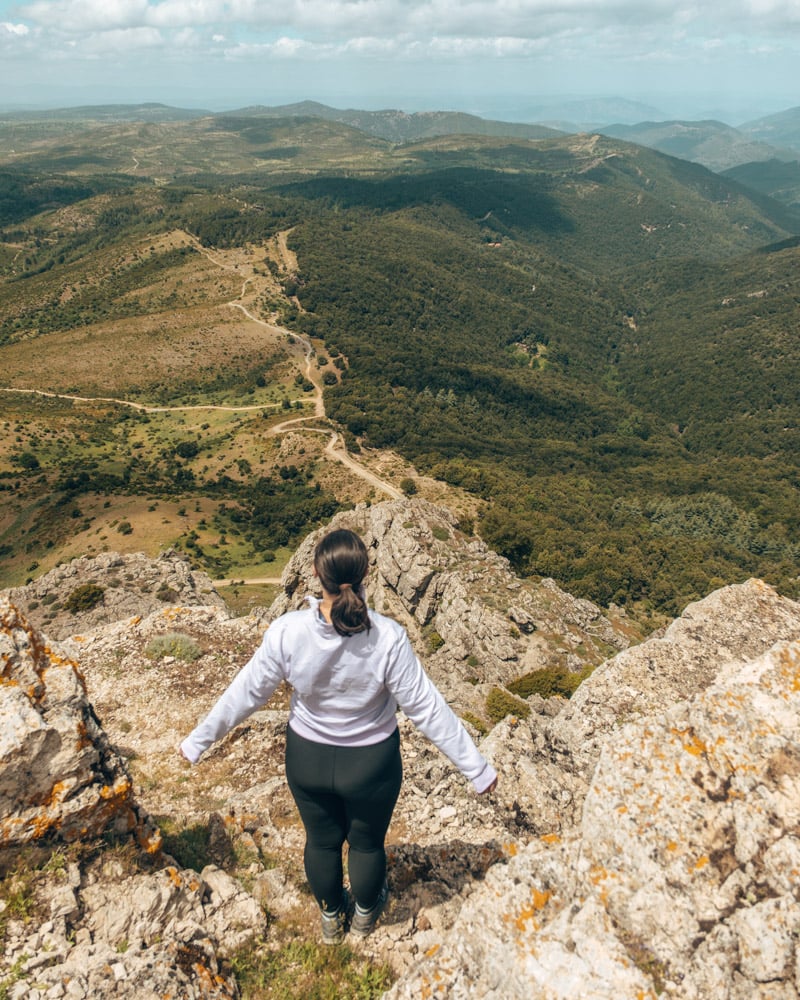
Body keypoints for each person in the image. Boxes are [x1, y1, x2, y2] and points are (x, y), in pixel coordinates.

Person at [179, 527, 498, 944]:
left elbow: (247, 694)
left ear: (315, 573)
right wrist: (475, 767)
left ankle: (332, 917)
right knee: (366, 845)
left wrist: (198, 741)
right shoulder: (387, 638)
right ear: (368, 572)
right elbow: (426, 707)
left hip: (307, 758)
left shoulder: (288, 632)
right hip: (371, 764)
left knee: (322, 842)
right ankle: (365, 915)